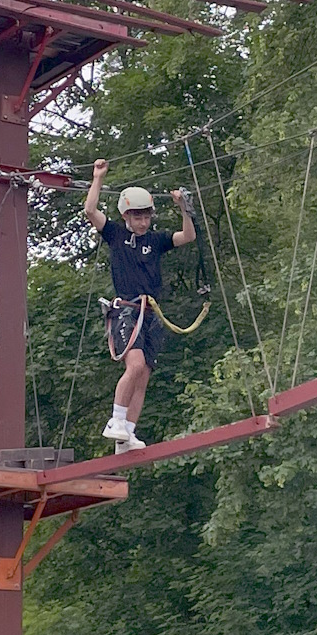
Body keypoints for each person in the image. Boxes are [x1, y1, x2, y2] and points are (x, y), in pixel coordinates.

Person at [83, 158, 194, 453]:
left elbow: (188, 236)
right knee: (134, 366)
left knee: (144, 374)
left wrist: (184, 208)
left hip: (150, 313)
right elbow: (90, 210)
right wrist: (98, 178)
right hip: (127, 310)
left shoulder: (156, 240)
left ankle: (127, 434)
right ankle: (115, 421)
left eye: (146, 217)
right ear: (126, 217)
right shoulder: (116, 236)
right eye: (137, 217)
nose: (142, 223)